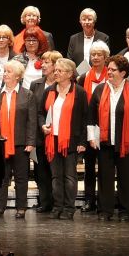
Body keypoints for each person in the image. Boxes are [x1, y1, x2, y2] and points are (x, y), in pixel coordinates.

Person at [88, 55, 129, 221]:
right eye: (109, 69)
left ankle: (126, 211)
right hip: (105, 142)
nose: (109, 72)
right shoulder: (100, 90)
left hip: (126, 143)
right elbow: (91, 116)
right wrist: (92, 137)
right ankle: (105, 211)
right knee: (104, 177)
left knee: (126, 178)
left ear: (123, 73)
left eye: (113, 70)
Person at [0, 60, 35, 219]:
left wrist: (30, 142)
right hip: (0, 144)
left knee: (21, 177)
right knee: (2, 177)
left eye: (9, 71)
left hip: (20, 143)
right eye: (4, 71)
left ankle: (21, 207)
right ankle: (0, 207)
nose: (5, 74)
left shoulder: (27, 95)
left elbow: (31, 121)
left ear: (18, 76)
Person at [40, 58, 89, 220]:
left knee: (69, 176)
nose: (56, 73)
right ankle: (57, 206)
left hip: (71, 141)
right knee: (56, 177)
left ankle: (69, 207)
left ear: (69, 74)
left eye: (59, 71)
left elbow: (85, 118)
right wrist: (43, 126)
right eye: (55, 70)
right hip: (52, 140)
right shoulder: (49, 91)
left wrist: (82, 142)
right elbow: (41, 113)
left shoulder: (79, 92)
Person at [28, 50, 62, 213]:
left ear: (56, 65)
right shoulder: (36, 84)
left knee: (56, 170)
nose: (42, 65)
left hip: (59, 134)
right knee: (40, 170)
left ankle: (58, 202)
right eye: (42, 61)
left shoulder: (64, 84)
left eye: (47, 62)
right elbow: (33, 110)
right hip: (40, 133)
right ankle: (44, 201)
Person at [79, 41, 111, 213]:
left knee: (106, 166)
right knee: (89, 166)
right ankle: (89, 199)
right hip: (89, 126)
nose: (96, 57)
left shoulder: (111, 76)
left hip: (107, 126)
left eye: (99, 55)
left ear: (106, 58)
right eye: (93, 54)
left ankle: (105, 200)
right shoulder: (84, 77)